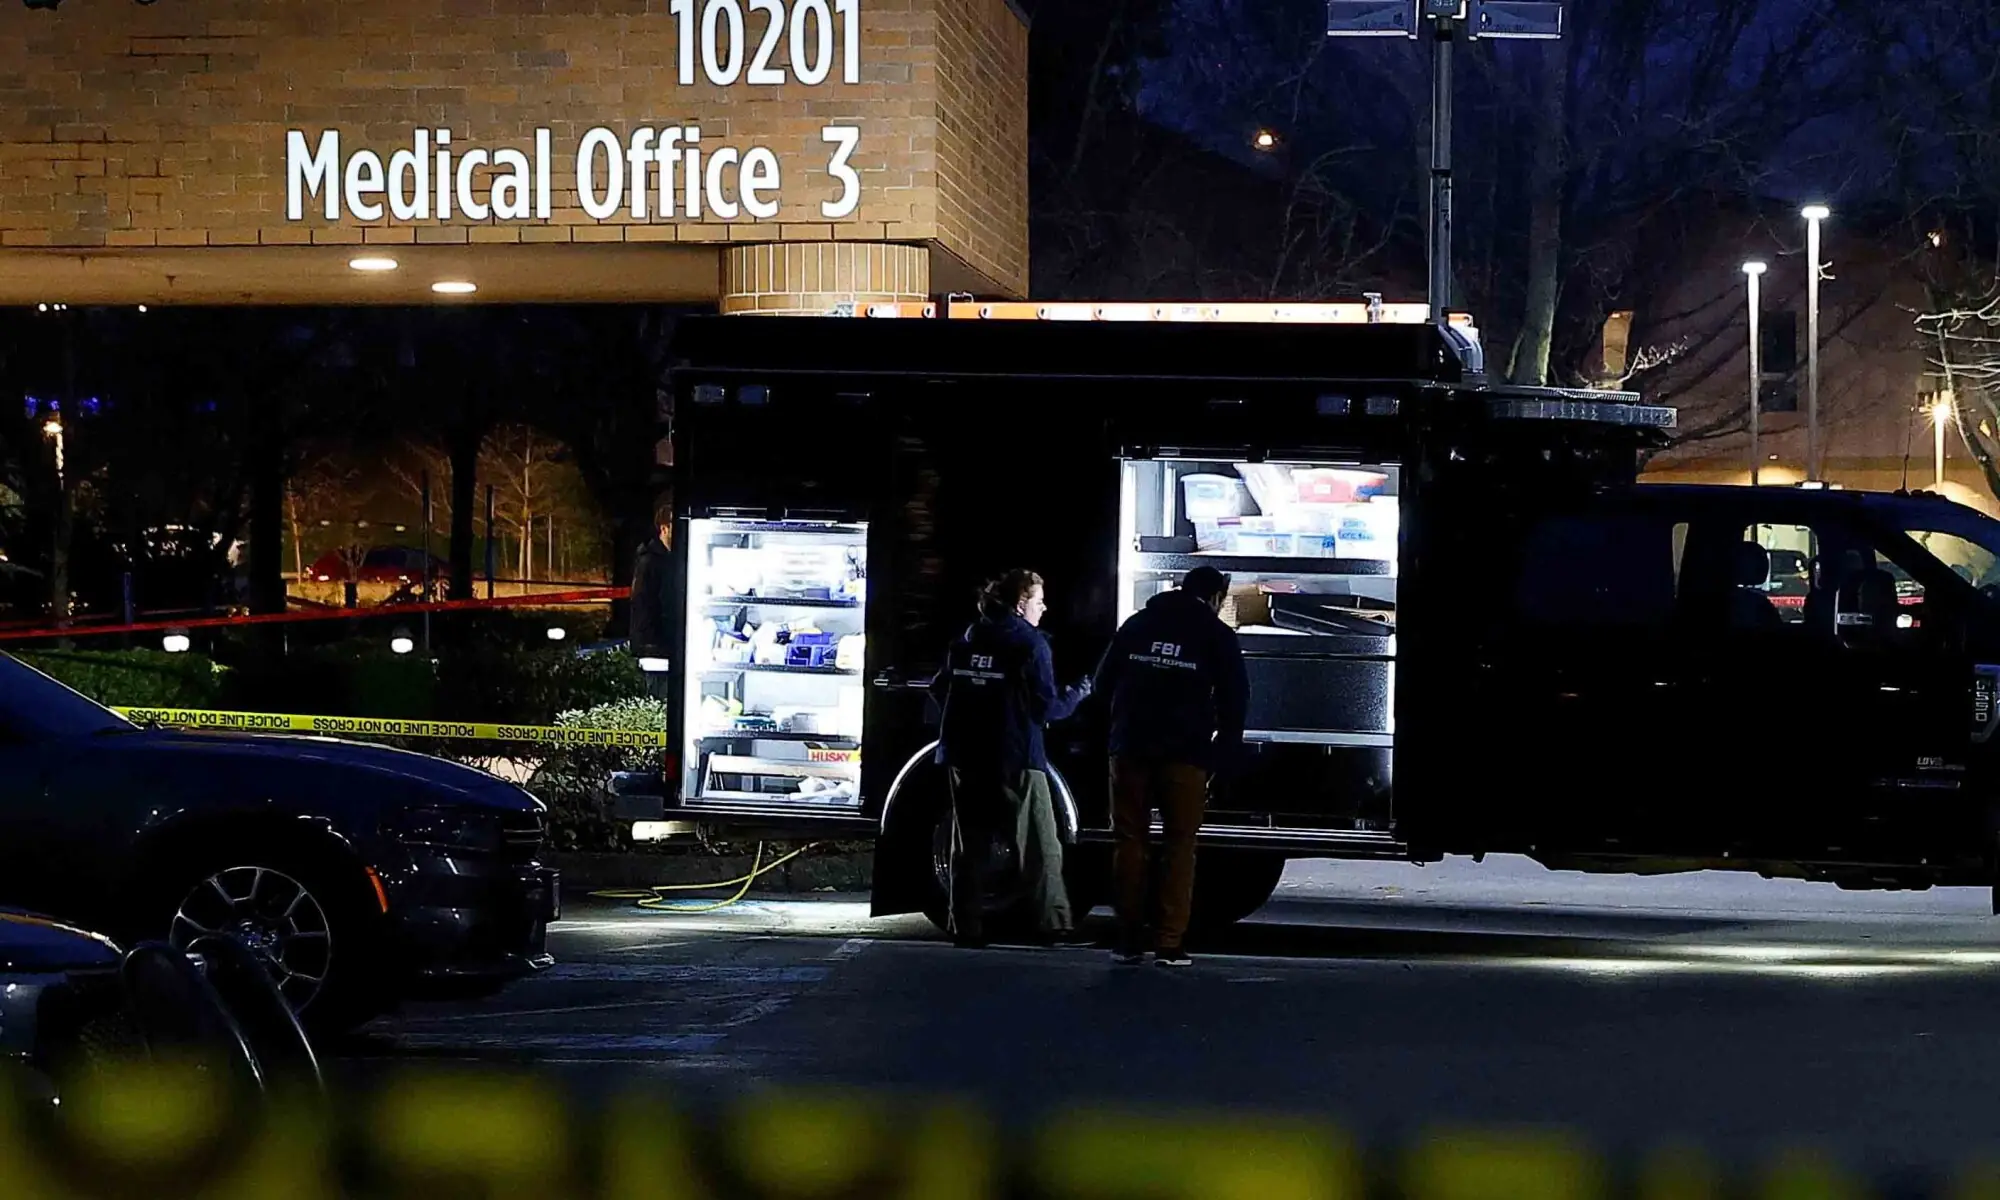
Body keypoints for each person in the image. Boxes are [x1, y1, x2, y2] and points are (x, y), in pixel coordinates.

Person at [1092, 566, 1247, 968]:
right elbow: (1235, 702)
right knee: (1180, 845)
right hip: (1186, 754)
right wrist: (1220, 757)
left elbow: (1101, 684)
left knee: (1129, 841)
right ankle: (1169, 943)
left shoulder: (1138, 624)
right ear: (1216, 597)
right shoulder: (1217, 635)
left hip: (1129, 749)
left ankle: (1127, 940)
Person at [930, 569, 1091, 949]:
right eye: (1038, 600)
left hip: (963, 754)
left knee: (968, 844)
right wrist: (1080, 693)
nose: (1044, 607)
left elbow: (941, 688)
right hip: (1014, 755)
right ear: (1021, 605)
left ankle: (965, 927)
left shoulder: (969, 637)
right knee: (1038, 843)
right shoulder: (1030, 644)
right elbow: (1047, 706)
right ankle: (1054, 925)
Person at [630, 501, 674, 699]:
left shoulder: (664, 558)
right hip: (655, 650)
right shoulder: (651, 561)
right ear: (664, 528)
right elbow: (643, 605)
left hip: (660, 648)